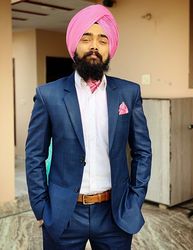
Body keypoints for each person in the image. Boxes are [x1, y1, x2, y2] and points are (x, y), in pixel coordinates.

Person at [25, 4, 152, 250]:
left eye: (102, 39)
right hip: (64, 214)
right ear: (74, 45)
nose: (94, 45)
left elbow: (143, 151)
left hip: (115, 213)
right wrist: (41, 207)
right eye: (86, 38)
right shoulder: (48, 95)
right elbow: (34, 155)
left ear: (110, 48)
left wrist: (135, 200)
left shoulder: (128, 92)